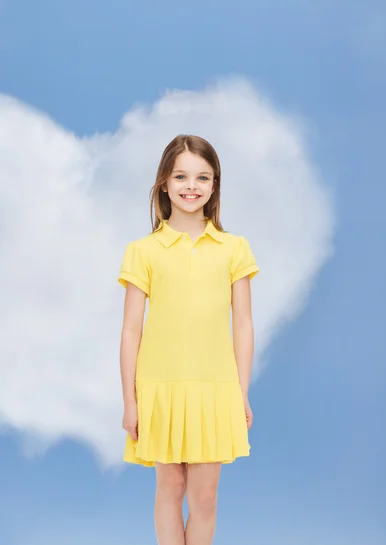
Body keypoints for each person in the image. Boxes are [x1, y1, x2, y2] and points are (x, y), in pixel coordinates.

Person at [118, 134, 259, 545]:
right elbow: (130, 330)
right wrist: (131, 400)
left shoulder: (234, 249)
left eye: (202, 177)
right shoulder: (143, 251)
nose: (191, 186)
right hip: (159, 388)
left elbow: (244, 323)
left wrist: (242, 391)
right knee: (169, 490)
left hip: (214, 390)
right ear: (164, 182)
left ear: (215, 185)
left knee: (204, 497)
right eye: (180, 176)